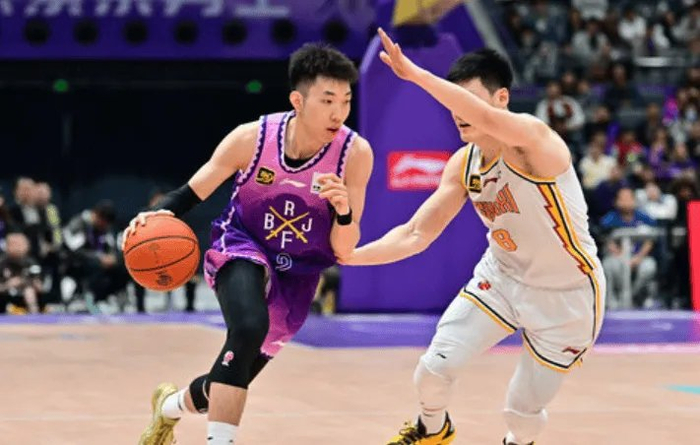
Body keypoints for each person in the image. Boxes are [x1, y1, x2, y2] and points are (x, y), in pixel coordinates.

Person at [342, 29, 605, 445]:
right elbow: (415, 233)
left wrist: (415, 74)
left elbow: (487, 119)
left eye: (466, 100)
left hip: (566, 293)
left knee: (521, 412)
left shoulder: (535, 141)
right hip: (501, 278)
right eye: (453, 101)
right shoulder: (463, 164)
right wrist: (349, 257)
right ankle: (432, 430)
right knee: (432, 370)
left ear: (501, 98)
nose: (457, 111)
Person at [124, 43, 373, 445]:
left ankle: (168, 406)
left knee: (229, 375)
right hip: (242, 244)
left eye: (345, 101)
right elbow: (192, 191)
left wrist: (343, 212)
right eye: (327, 100)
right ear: (298, 101)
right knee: (248, 328)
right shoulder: (252, 138)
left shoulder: (355, 153)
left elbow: (344, 249)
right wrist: (154, 216)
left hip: (299, 272)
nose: (338, 113)